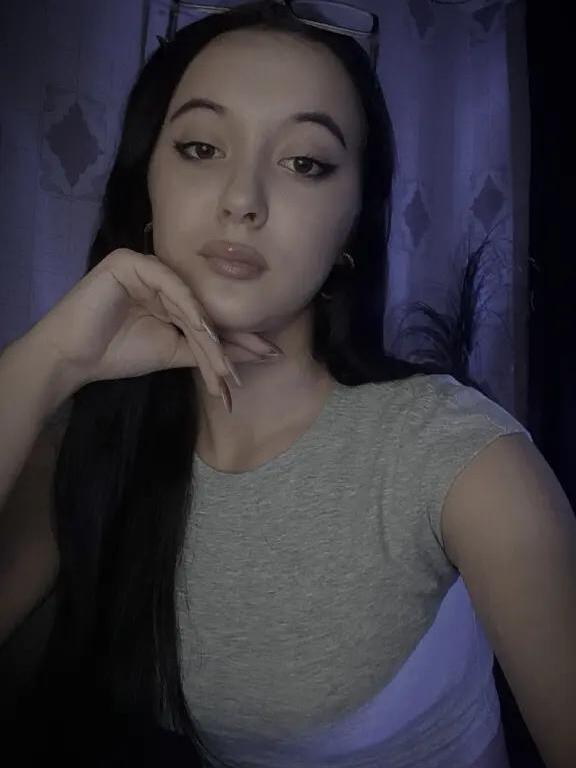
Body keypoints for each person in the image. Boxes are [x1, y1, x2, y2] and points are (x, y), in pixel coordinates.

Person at [2, 2, 571, 767]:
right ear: (148, 190)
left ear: (352, 223)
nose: (242, 199)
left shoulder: (466, 462)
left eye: (305, 163)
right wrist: (49, 361)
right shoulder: (88, 440)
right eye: (201, 147)